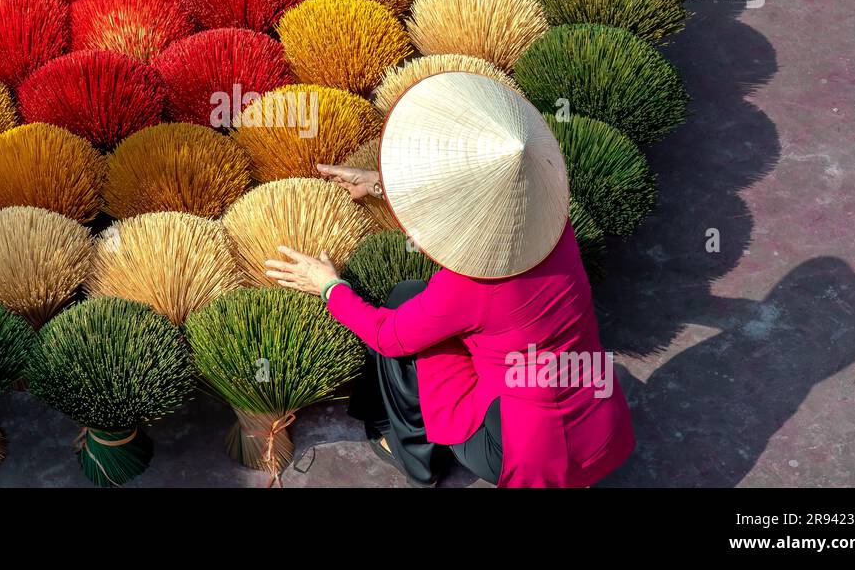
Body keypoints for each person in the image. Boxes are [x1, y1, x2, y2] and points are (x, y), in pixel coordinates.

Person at [265, 72, 635, 487]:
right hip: (599, 428)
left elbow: (387, 335)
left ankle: (413, 457)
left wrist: (329, 286)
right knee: (411, 294)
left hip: (524, 456)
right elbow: (473, 196)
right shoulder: (552, 226)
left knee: (400, 324)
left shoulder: (470, 288)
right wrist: (378, 185)